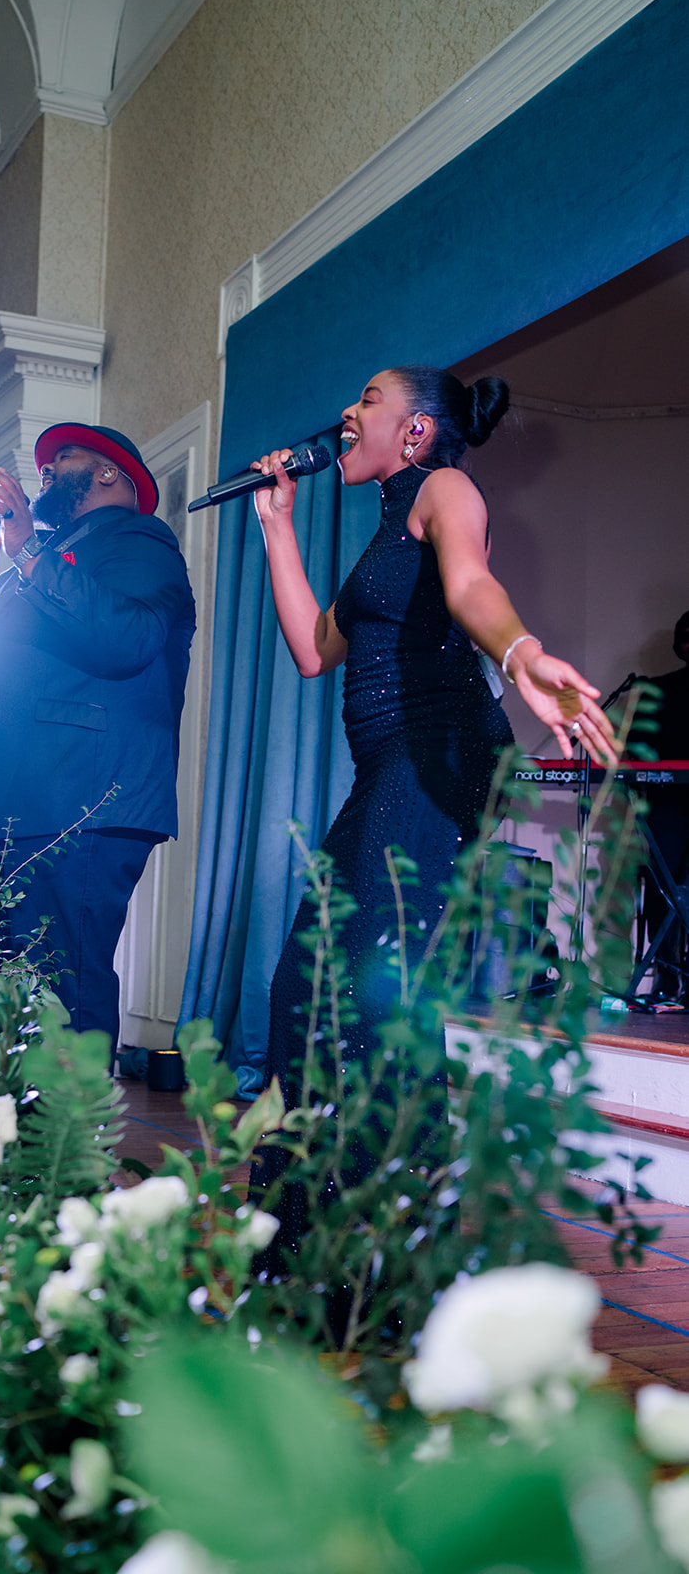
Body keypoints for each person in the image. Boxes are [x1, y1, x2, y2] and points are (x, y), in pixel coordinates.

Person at [249, 364, 617, 1257]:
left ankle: (385, 1246)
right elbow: (311, 649)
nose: (347, 408)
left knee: (374, 987)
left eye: (368, 399)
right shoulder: (382, 536)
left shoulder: (447, 489)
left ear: (415, 430)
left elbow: (470, 589)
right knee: (303, 983)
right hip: (387, 768)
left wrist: (521, 652)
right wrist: (275, 528)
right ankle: (313, 1226)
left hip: (438, 753)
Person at [0, 423, 195, 1068]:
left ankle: (69, 1160)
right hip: (6, 796)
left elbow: (128, 639)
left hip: (79, 795)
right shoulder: (43, 558)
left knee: (60, 986)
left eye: (66, 456)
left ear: (111, 473)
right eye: (46, 459)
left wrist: (27, 555)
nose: (47, 466)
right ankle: (1, 1149)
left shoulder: (138, 540)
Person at [642, 610, 689, 999]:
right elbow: (635, 751)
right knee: (665, 884)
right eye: (684, 634)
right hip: (666, 801)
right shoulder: (656, 689)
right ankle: (667, 972)